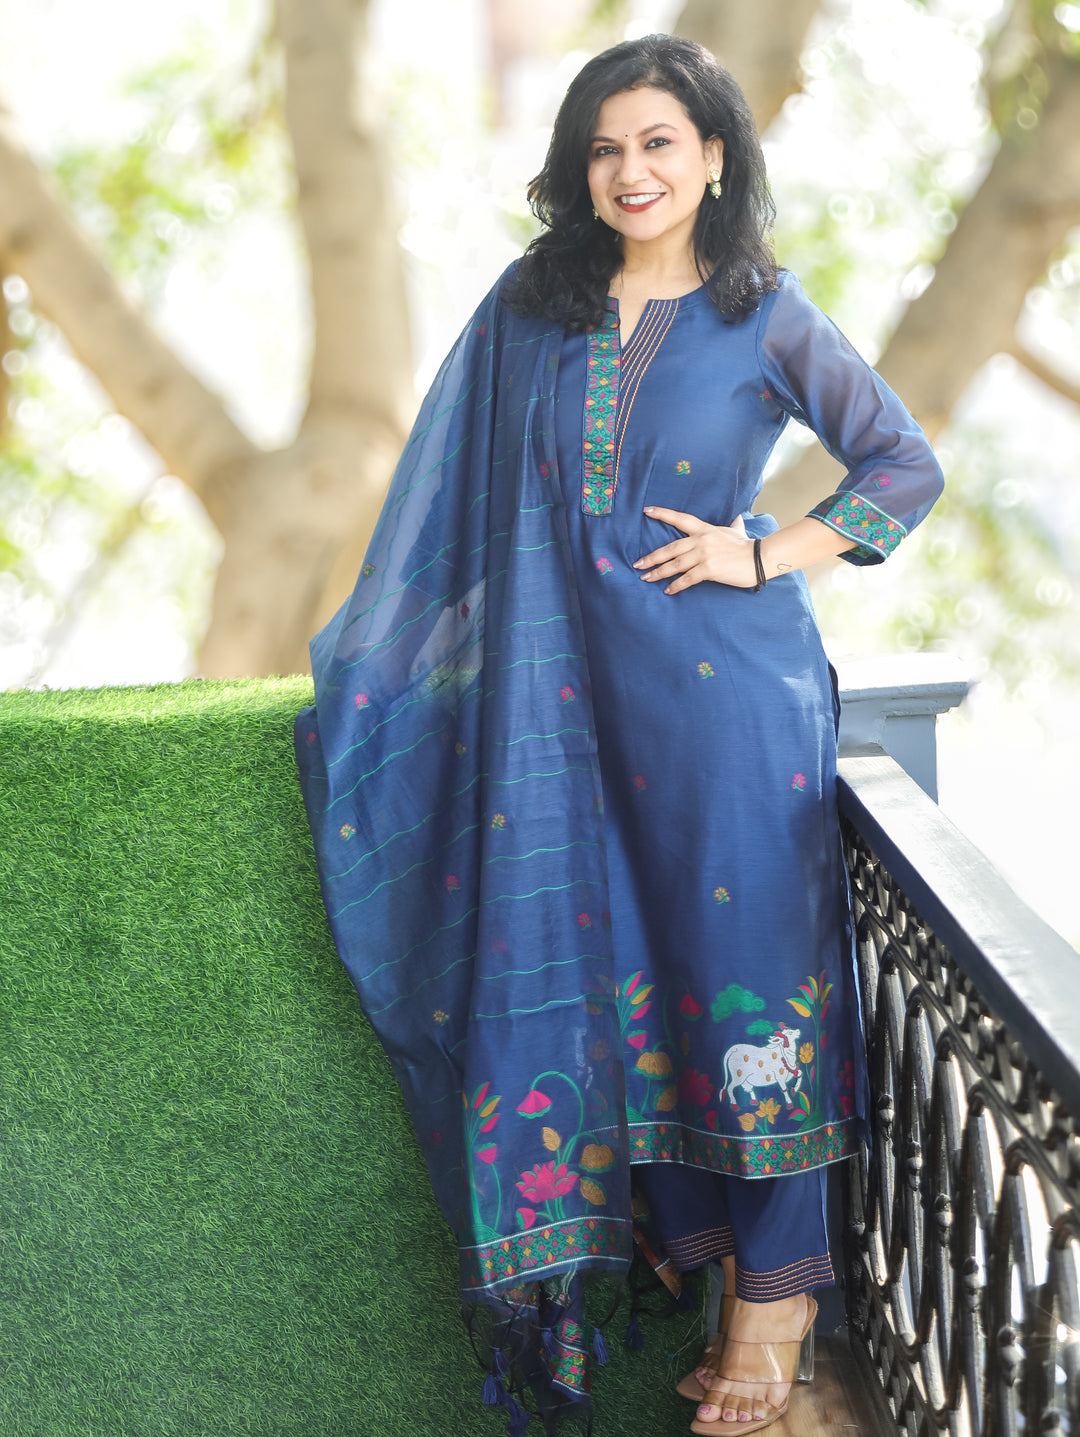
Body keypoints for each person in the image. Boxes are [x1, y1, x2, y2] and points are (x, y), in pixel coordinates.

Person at [294, 32, 943, 1437]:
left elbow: (904, 464)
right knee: (630, 978)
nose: (631, 170)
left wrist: (762, 552)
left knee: (745, 971)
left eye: (658, 142)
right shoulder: (531, 309)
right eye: (605, 148)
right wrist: (385, 674)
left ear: (713, 158)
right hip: (568, 717)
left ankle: (778, 1304)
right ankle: (714, 1274)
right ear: (577, 171)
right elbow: (448, 512)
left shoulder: (763, 313)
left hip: (728, 704)